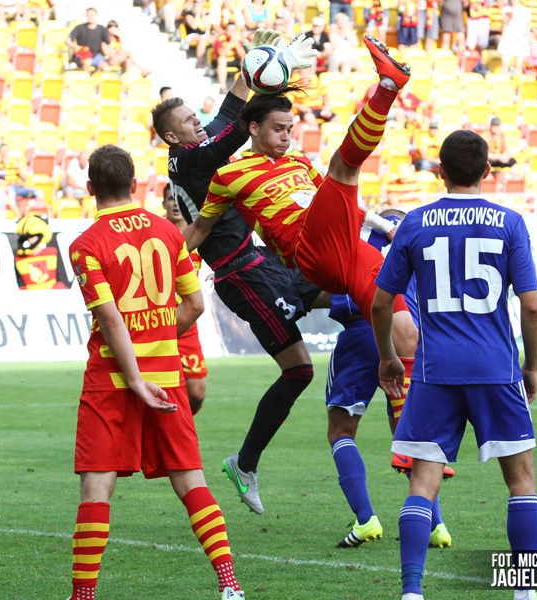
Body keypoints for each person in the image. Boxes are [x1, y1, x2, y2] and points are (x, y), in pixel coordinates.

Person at [152, 29, 323, 515]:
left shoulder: (197, 149)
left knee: (345, 288)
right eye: (189, 120)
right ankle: (244, 464)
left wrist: (253, 70)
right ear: (172, 136)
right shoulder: (188, 160)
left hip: (261, 261)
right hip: (242, 276)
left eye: (196, 116)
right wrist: (261, 74)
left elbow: (228, 114)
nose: (198, 122)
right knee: (300, 371)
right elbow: (234, 129)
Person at [371, 130, 537, 600]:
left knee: (423, 482)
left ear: (440, 171)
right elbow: (531, 306)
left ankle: (412, 591)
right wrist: (531, 367)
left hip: (435, 371)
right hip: (496, 368)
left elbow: (382, 302)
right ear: (487, 170)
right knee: (521, 481)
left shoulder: (415, 223)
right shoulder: (509, 222)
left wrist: (388, 357)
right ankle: (526, 591)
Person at [66, 146, 244, 600]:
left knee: (96, 488)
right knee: (190, 480)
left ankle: (83, 595)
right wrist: (160, 339)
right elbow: (195, 305)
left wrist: (133, 377)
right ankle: (229, 584)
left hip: (111, 381)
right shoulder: (168, 233)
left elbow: (110, 320)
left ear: (90, 188)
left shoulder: (86, 245)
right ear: (134, 185)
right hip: (166, 376)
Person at [183, 35, 406, 328]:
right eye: (278, 129)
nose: (286, 137)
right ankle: (387, 89)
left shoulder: (299, 160)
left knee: (406, 334)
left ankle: (394, 356)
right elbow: (200, 228)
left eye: (289, 129)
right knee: (342, 168)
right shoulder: (230, 175)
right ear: (254, 128)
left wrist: (386, 226)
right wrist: (165, 260)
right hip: (305, 248)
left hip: (343, 247)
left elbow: (337, 206)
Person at [326, 209, 453, 550]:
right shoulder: (416, 245)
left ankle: (366, 518)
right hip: (411, 343)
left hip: (363, 334)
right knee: (409, 436)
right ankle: (436, 525)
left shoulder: (359, 245)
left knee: (340, 430)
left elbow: (345, 300)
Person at [163, 183, 209, 415]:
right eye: (170, 199)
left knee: (197, 392)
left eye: (177, 199)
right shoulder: (154, 232)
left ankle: (180, 424)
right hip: (157, 319)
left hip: (186, 318)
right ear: (164, 204)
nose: (174, 204)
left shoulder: (199, 234)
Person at [66, 7, 111, 73]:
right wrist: (78, 47)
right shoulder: (79, 28)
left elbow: (108, 44)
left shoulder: (102, 29)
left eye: (92, 14)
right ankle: (88, 78)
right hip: (82, 55)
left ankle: (97, 79)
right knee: (87, 61)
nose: (90, 16)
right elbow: (67, 40)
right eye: (88, 14)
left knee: (106, 68)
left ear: (96, 15)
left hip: (96, 56)